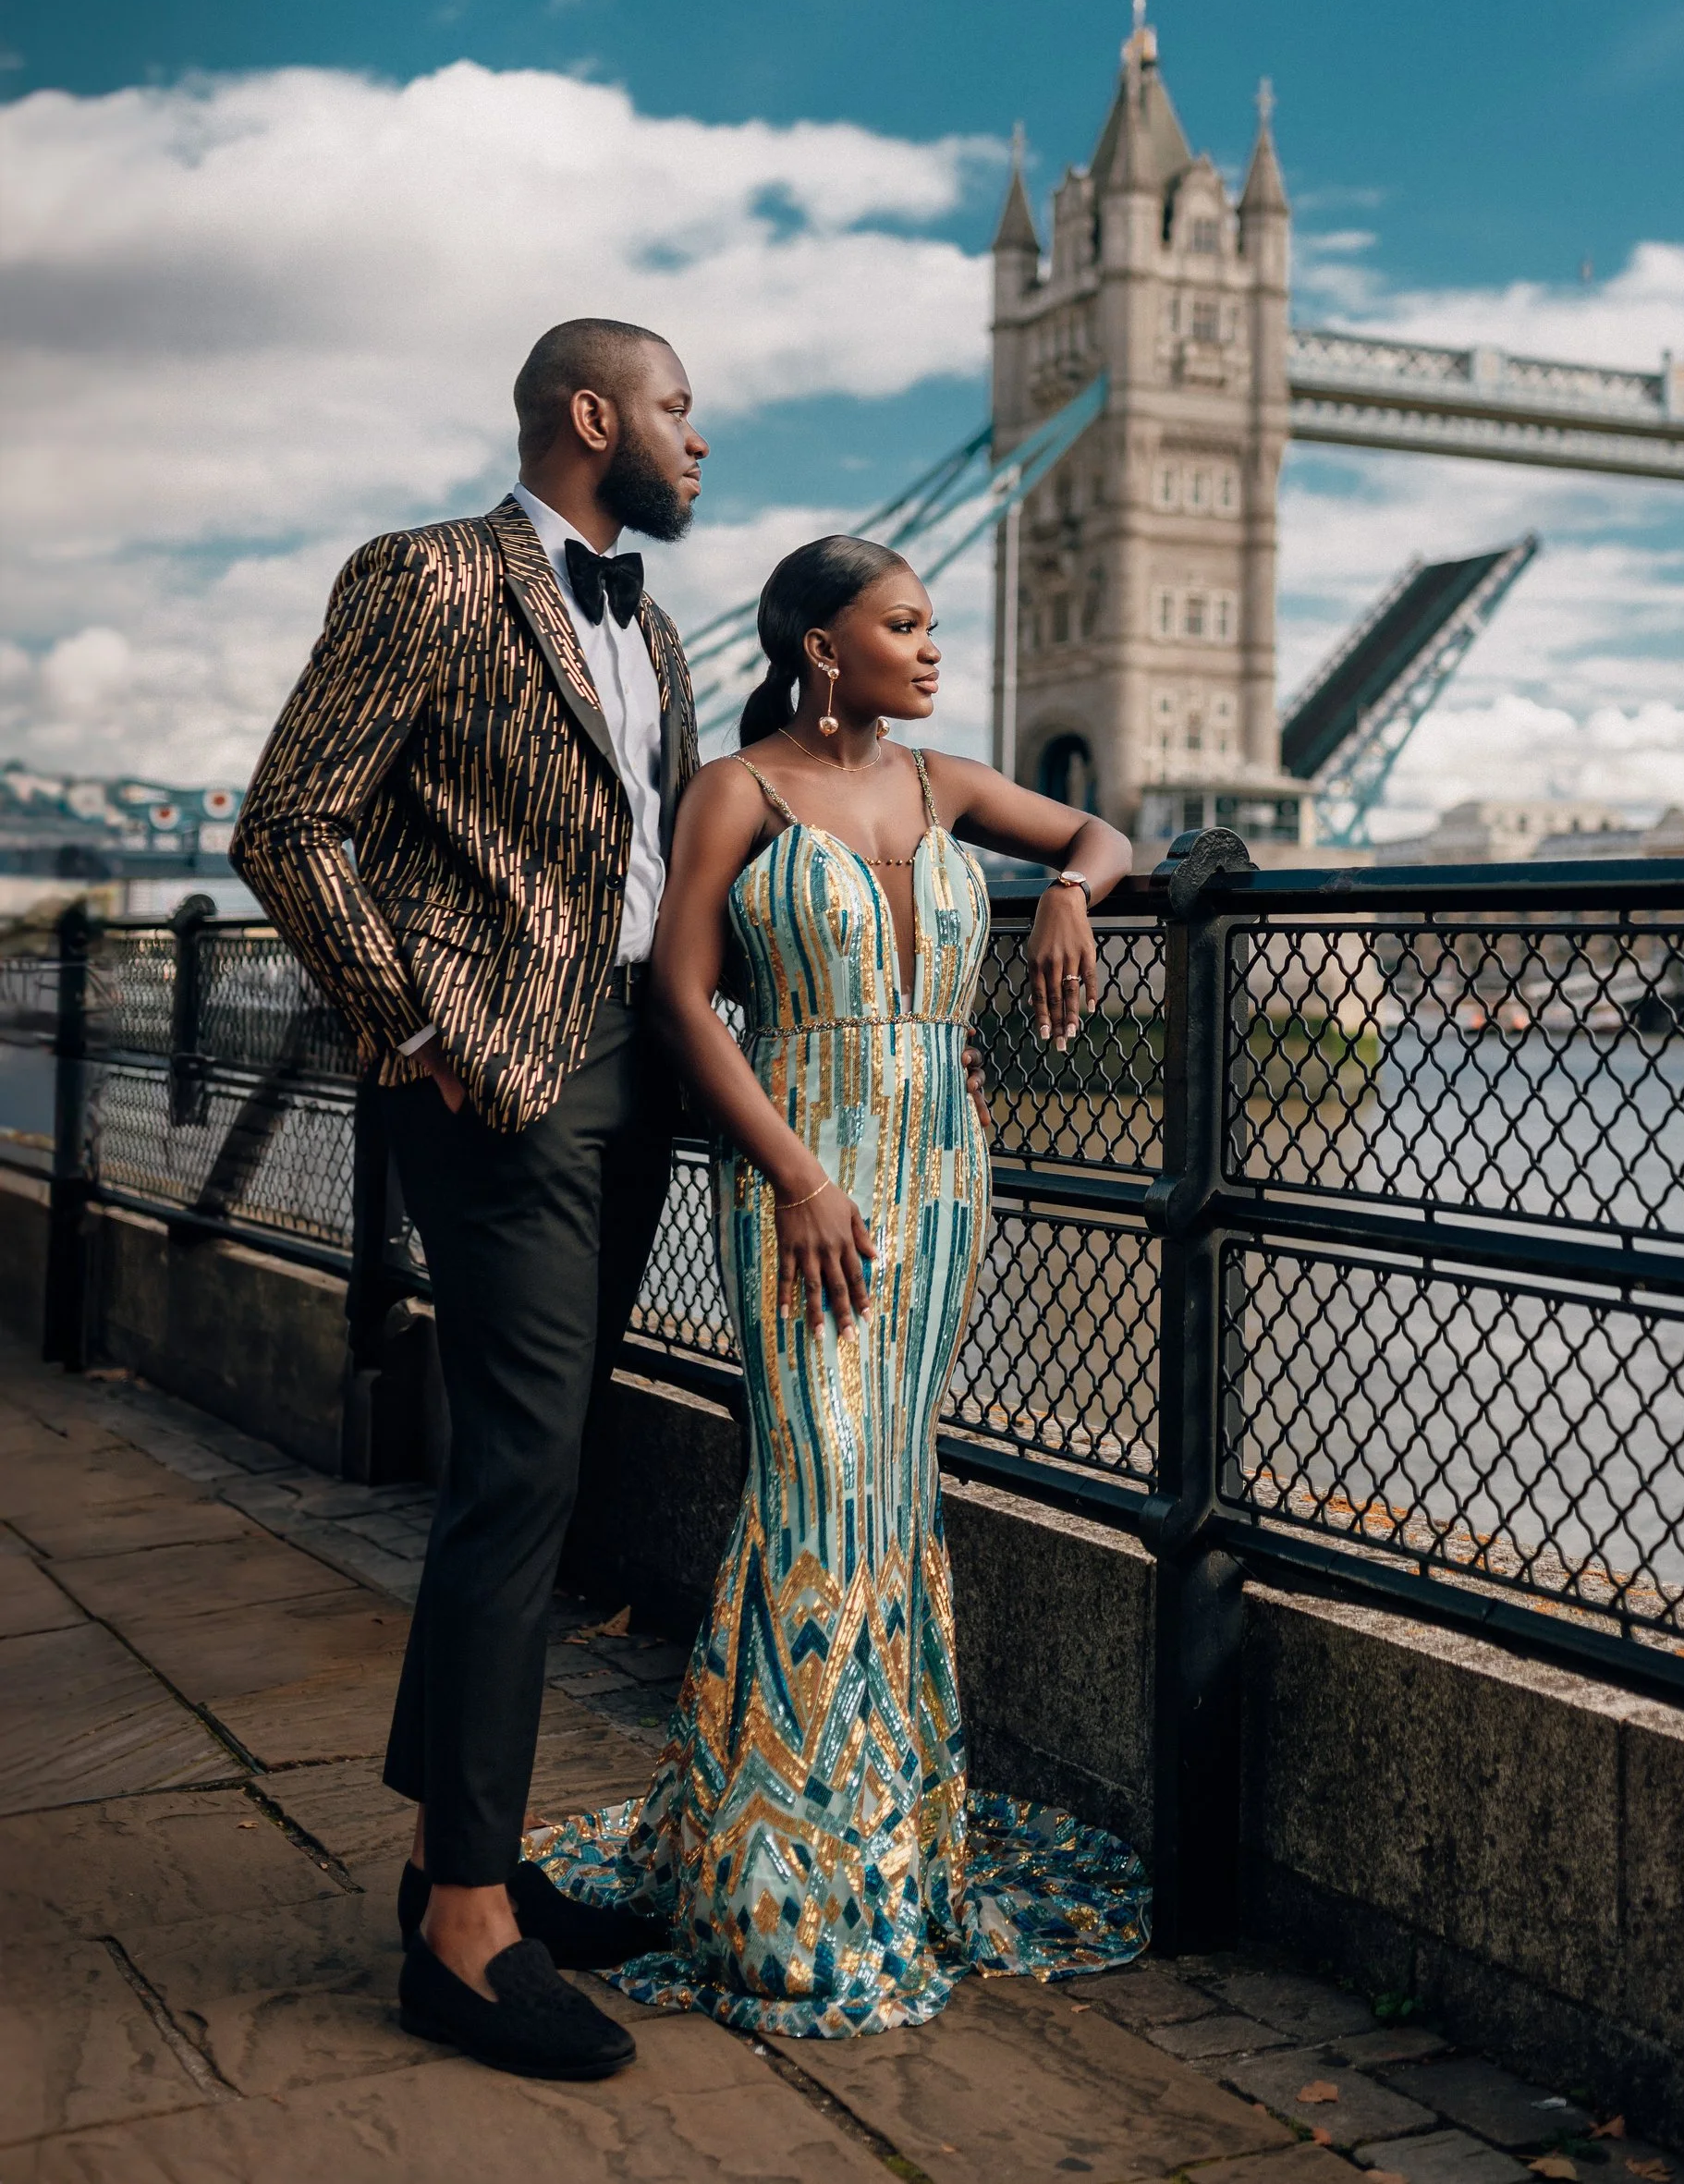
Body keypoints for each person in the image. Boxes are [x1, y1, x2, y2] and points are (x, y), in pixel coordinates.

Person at [531, 534, 1150, 2036]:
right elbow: (679, 999)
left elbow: (1105, 836)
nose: (932, 650)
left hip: (942, 1177)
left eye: (932, 626)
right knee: (817, 1492)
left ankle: (896, 1847)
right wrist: (801, 1177)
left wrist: (1066, 893)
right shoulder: (737, 793)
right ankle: (789, 1877)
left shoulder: (944, 786)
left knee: (897, 1492)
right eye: (904, 625)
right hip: (800, 1177)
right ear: (822, 643)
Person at [233, 317, 707, 2081]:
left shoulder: (646, 622)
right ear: (593, 416)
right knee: (517, 1474)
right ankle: (463, 1940)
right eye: (676, 407)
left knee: (550, 1462)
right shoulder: (426, 576)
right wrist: (412, 1020)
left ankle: (456, 1857)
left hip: (634, 1079)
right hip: (498, 1082)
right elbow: (289, 821)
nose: (696, 440)